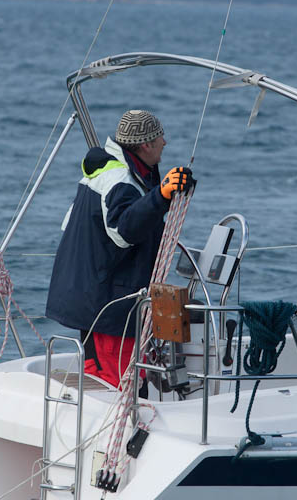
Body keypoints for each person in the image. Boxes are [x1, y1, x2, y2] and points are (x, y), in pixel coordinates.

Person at [46, 110, 195, 388]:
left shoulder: (110, 172)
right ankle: (120, 429)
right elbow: (124, 230)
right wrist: (161, 195)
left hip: (96, 299)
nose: (165, 142)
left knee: (106, 374)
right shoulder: (121, 181)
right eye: (160, 137)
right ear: (146, 145)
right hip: (108, 306)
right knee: (116, 381)